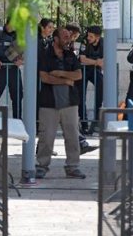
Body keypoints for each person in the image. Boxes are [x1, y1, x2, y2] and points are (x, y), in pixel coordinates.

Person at [36, 27, 86, 179]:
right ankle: (42, 165)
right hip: (49, 103)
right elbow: (44, 77)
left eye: (69, 36)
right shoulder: (45, 54)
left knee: (72, 136)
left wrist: (59, 73)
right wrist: (65, 80)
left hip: (70, 102)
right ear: (56, 39)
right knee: (46, 136)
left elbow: (78, 75)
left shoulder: (71, 55)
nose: (68, 39)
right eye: (64, 37)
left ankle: (73, 166)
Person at [65, 23, 98, 155]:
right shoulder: (58, 49)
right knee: (59, 122)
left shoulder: (69, 48)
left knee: (70, 120)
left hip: (68, 87)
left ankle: (80, 143)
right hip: (58, 90)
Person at [78, 25, 103, 135]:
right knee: (81, 96)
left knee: (101, 89)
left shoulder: (103, 43)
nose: (88, 38)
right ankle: (84, 124)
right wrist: (96, 62)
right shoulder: (84, 41)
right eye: (88, 35)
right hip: (83, 70)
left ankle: (96, 121)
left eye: (91, 36)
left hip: (95, 71)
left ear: (97, 37)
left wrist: (93, 62)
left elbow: (106, 60)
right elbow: (82, 59)